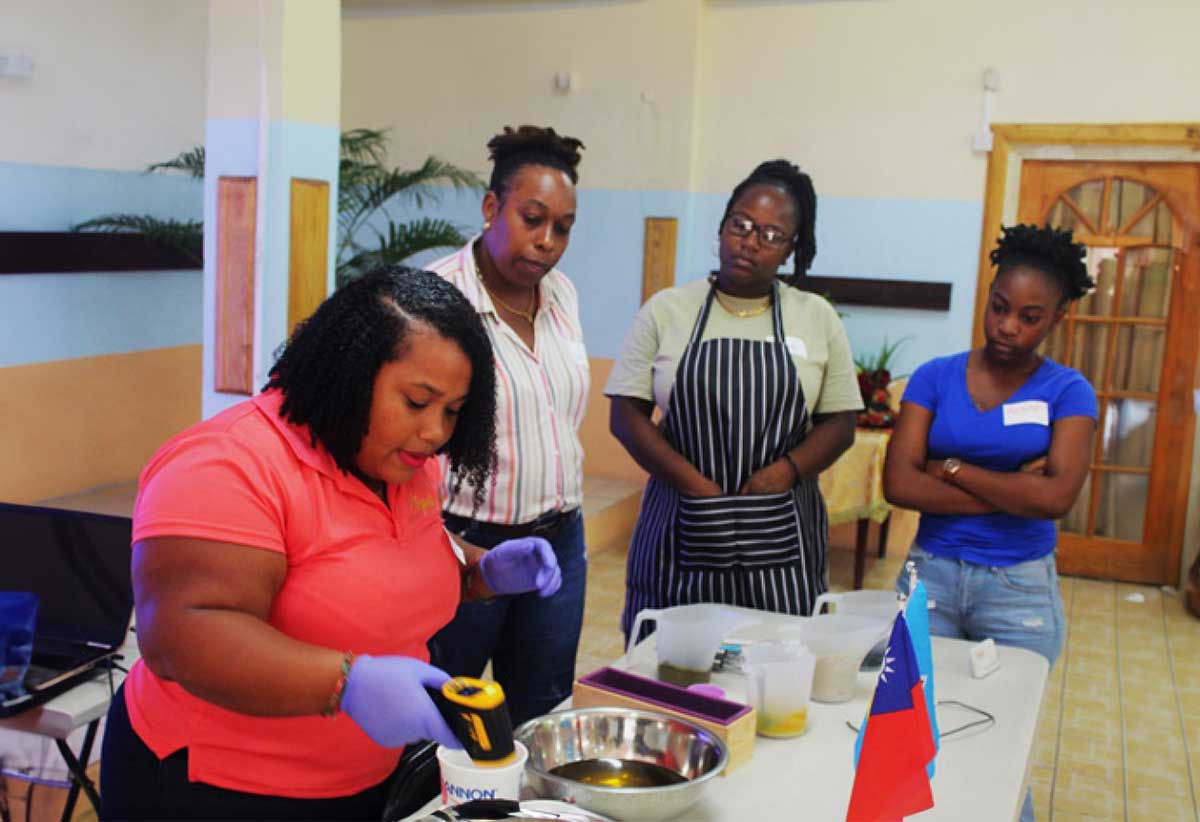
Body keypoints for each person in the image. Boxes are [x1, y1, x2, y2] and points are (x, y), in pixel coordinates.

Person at [99, 267, 561, 821]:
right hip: (217, 791)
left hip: (359, 785)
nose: (437, 433)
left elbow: (386, 566)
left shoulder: (404, 466)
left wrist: (481, 571)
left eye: (453, 411)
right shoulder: (227, 465)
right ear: (350, 372)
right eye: (418, 402)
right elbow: (180, 636)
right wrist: (348, 684)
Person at [882, 224, 1096, 822]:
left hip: (1019, 591)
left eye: (1030, 317)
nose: (1009, 326)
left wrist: (950, 468)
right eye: (1000, 308)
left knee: (1003, 743)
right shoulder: (934, 376)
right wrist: (1016, 488)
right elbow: (899, 484)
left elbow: (1057, 499)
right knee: (910, 735)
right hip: (932, 578)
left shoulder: (1069, 392)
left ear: (1058, 317)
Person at [606, 159, 863, 638]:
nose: (750, 241)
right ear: (723, 226)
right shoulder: (668, 310)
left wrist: (783, 472)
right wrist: (696, 485)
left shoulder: (816, 317)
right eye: (740, 225)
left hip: (781, 530)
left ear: (793, 249)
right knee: (671, 671)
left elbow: (841, 423)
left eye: (771, 234)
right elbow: (626, 416)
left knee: (775, 668)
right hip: (681, 523)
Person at [426, 125, 590, 726]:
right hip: (467, 545)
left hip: (557, 542)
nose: (546, 242)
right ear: (492, 207)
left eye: (562, 228)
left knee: (542, 712)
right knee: (449, 714)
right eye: (532, 218)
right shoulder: (436, 300)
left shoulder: (563, 294)